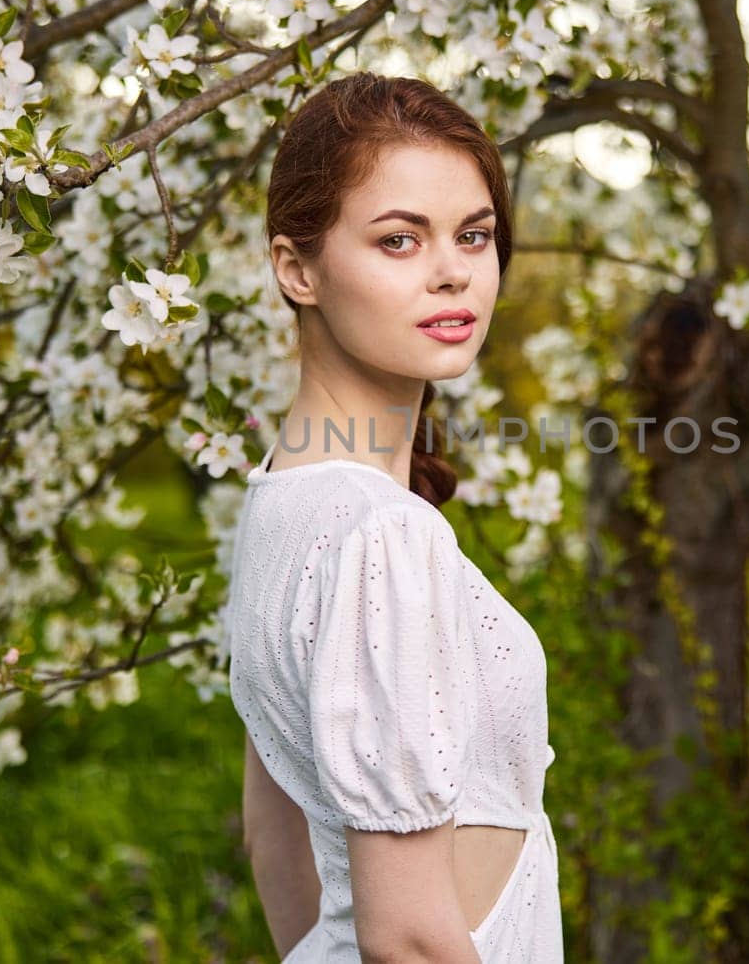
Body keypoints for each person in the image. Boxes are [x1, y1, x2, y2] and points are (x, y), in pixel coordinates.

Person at [225, 72, 562, 963]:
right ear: (298, 268)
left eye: (474, 235)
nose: (453, 269)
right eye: (399, 239)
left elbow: (276, 834)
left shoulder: (280, 497)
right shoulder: (381, 536)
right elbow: (409, 937)